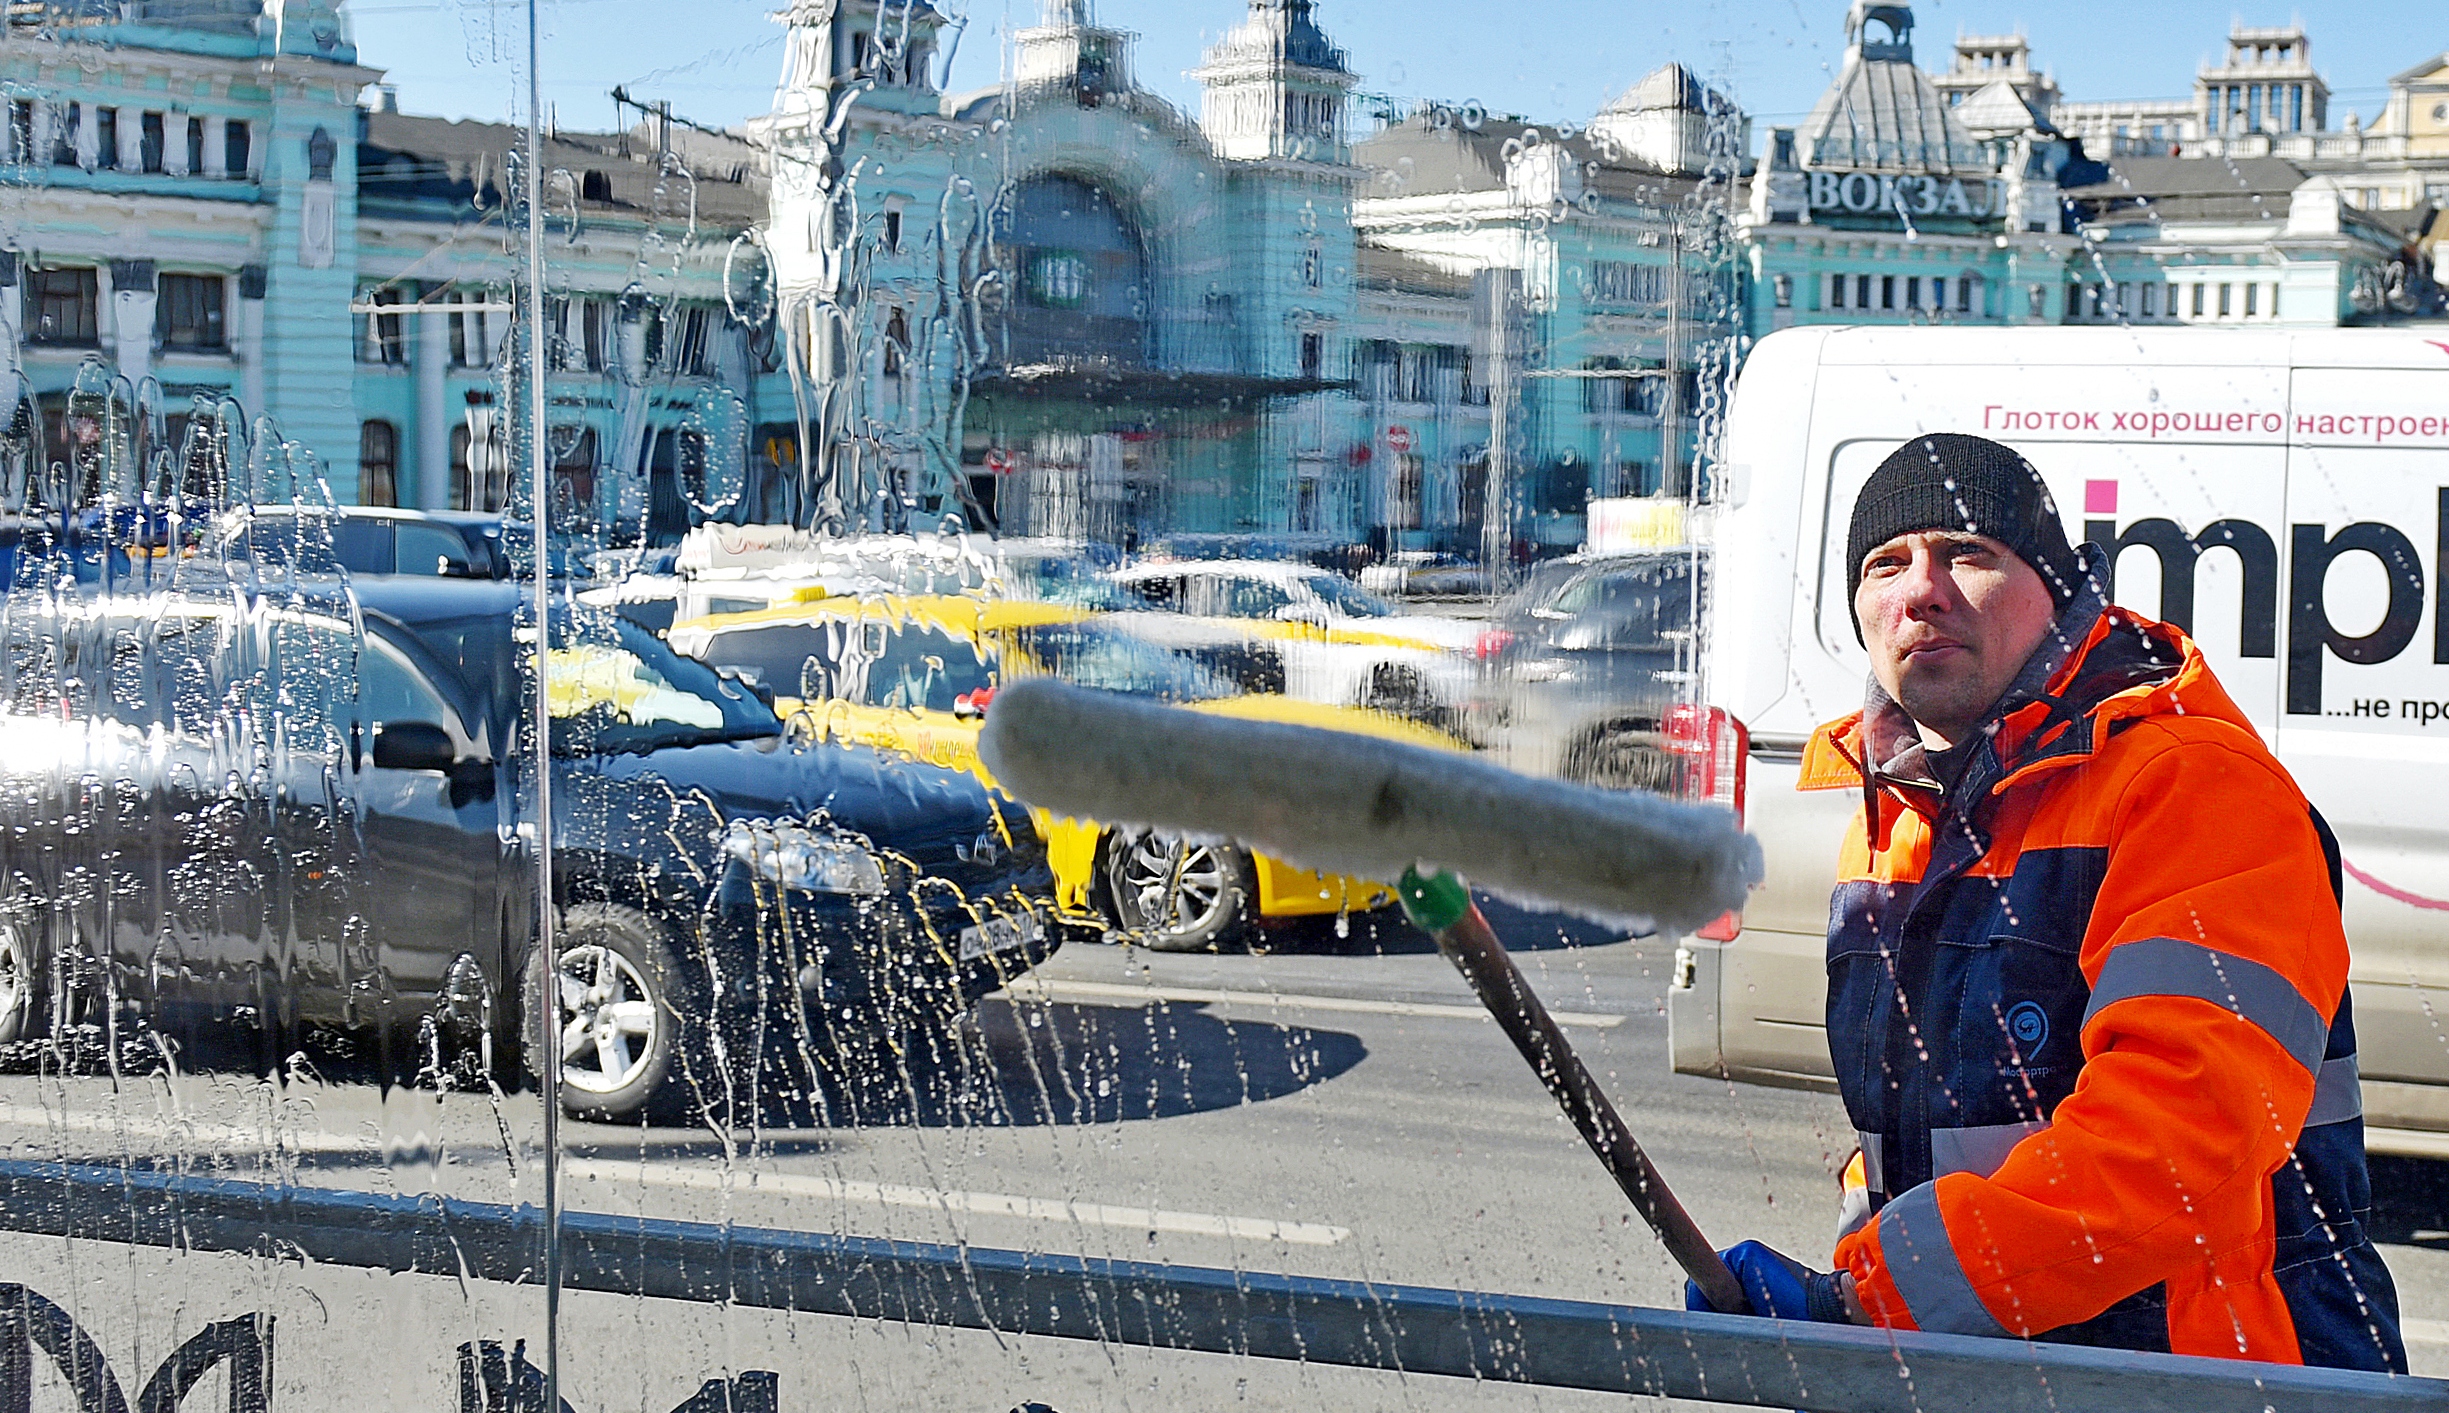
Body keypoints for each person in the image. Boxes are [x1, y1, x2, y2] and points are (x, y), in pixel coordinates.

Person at [1686, 433, 2405, 1371]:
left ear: (2061, 591)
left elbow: (2173, 1148)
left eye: (1967, 552)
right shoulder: (1902, 811)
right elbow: (1922, 1134)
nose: (1920, 590)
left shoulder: (2190, 785)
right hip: (1995, 1364)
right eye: (1884, 564)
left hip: (2216, 1372)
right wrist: (1857, 1313)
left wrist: (1870, 1300)